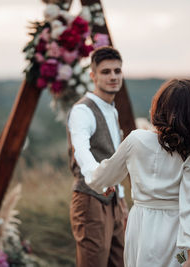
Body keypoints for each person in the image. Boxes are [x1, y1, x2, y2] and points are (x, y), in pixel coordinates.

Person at [86, 78, 190, 267]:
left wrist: (104, 183)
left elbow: (104, 175)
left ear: (159, 108)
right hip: (178, 241)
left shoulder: (135, 139)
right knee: (178, 262)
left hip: (141, 232)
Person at [67, 46, 128, 267]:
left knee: (121, 262)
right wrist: (97, 178)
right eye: (105, 72)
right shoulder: (83, 111)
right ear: (93, 76)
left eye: (117, 71)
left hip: (114, 201)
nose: (113, 76)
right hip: (90, 200)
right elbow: (81, 150)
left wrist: (121, 199)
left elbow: (113, 155)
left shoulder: (112, 109)